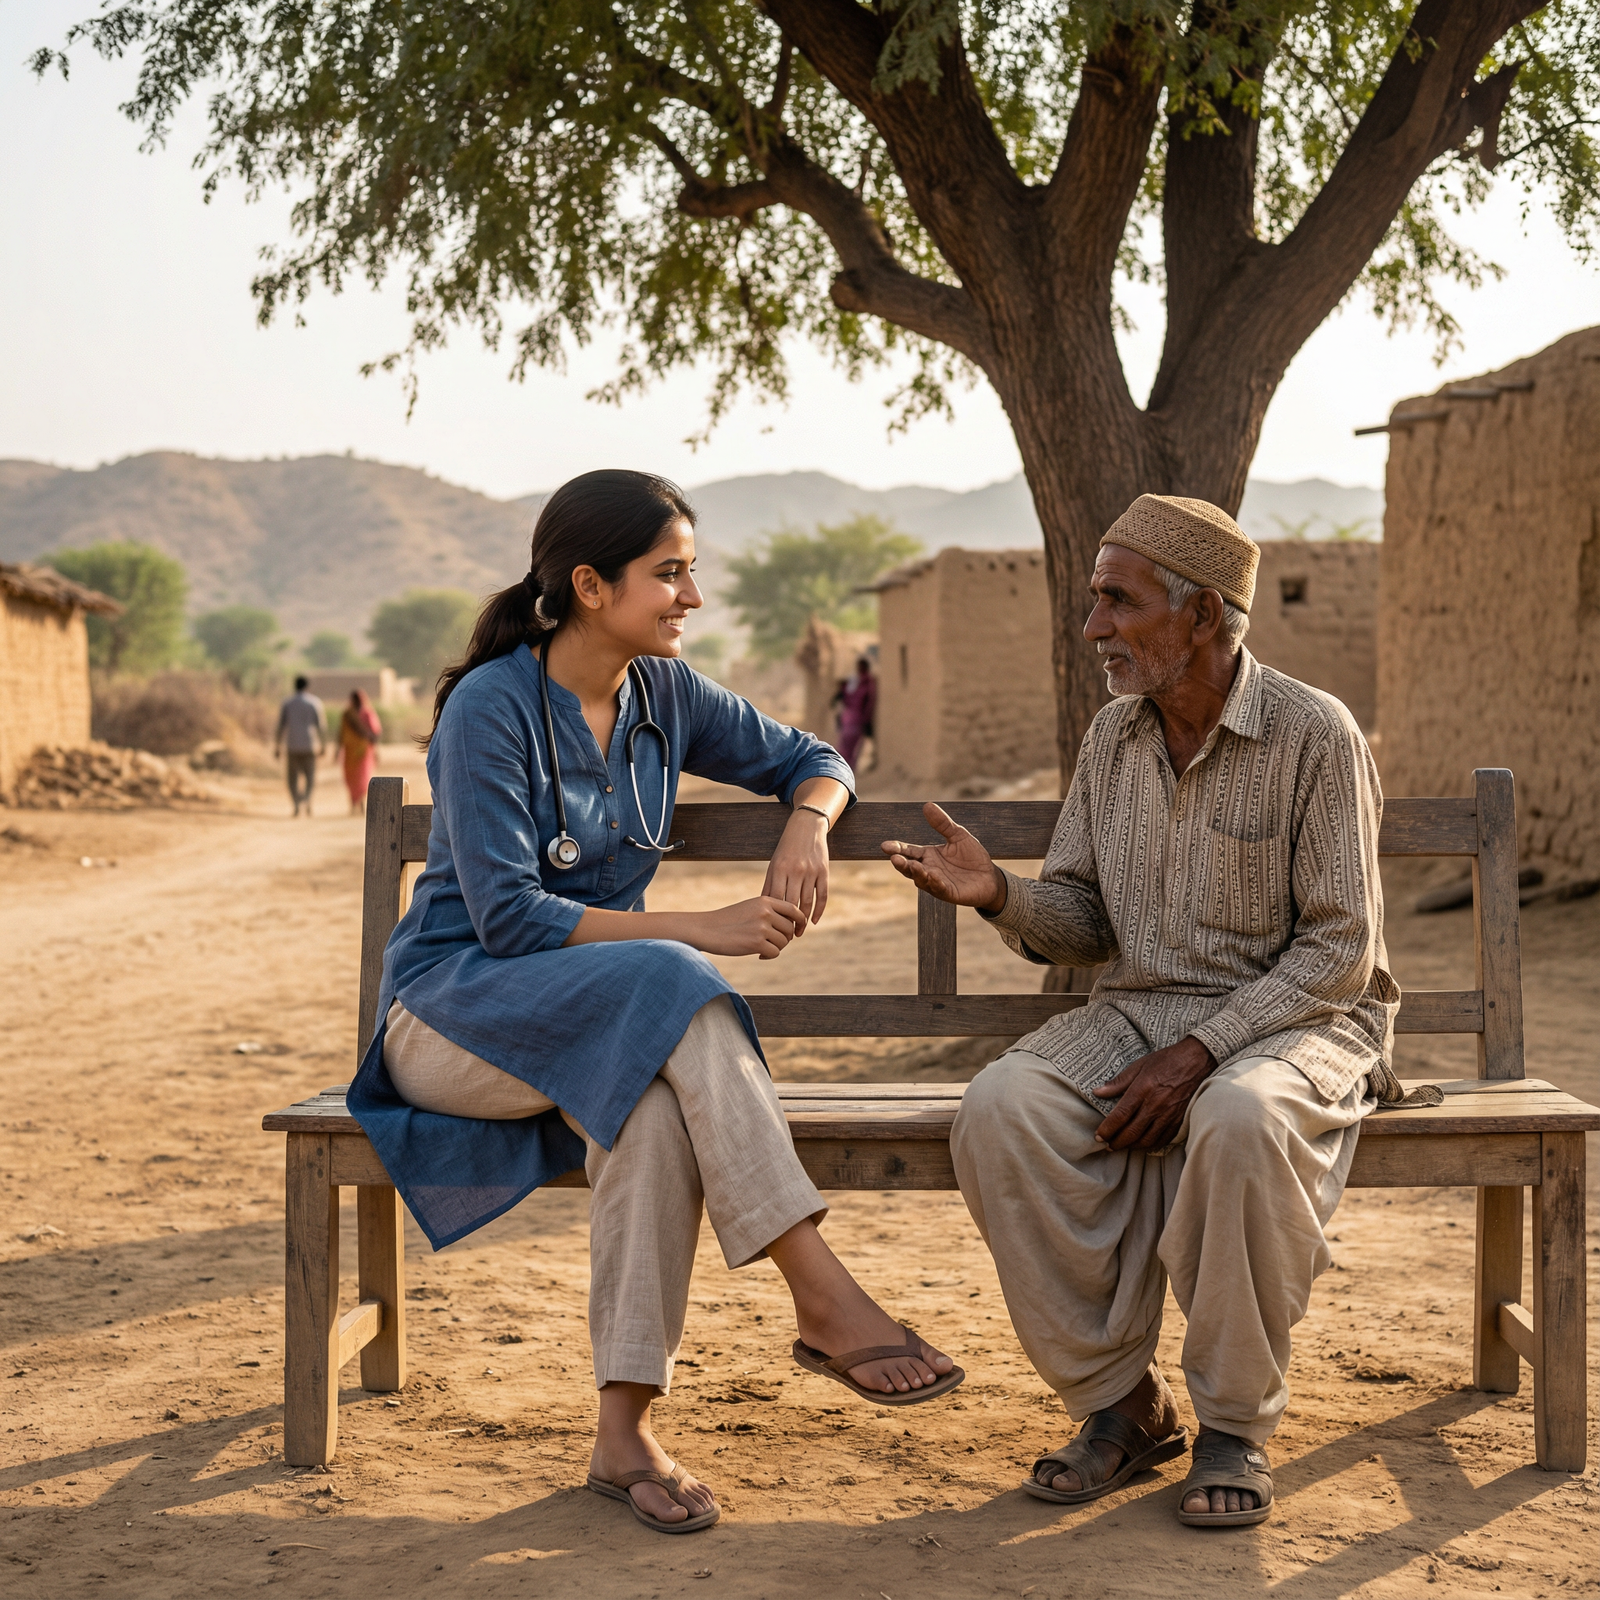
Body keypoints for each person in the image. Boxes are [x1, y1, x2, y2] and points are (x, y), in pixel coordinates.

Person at [347, 469, 960, 1538]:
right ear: (590, 584)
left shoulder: (664, 696)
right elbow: (508, 920)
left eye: (691, 570)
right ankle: (819, 1289)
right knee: (678, 976)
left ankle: (621, 1430)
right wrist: (700, 928)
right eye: (668, 573)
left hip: (602, 1020)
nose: (692, 595)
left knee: (659, 1110)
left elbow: (815, 759)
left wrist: (805, 823)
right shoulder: (490, 710)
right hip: (453, 1020)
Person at [882, 494, 1418, 1530]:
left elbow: (1339, 950)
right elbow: (1081, 918)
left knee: (1238, 1114)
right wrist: (999, 893)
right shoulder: (1112, 738)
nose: (1092, 629)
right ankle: (1121, 1405)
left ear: (1204, 615)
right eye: (1093, 600)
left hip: (1296, 1020)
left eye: (1115, 602)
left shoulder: (1316, 734)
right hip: (1136, 1013)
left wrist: (1204, 1052)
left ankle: (1231, 1424)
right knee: (998, 1108)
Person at [274, 675, 325, 817]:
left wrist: (277, 746)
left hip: (292, 745)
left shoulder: (287, 703)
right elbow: (321, 726)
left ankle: (296, 803)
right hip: (310, 744)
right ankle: (307, 800)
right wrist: (324, 745)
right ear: (307, 687)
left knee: (292, 778)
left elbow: (281, 727)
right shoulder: (314, 703)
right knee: (310, 777)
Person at [337, 688, 383, 814]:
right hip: (350, 751)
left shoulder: (367, 713)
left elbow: (375, 733)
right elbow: (341, 733)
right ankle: (353, 802)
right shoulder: (347, 715)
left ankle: (361, 801)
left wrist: (375, 749)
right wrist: (337, 749)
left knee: (363, 776)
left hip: (363, 751)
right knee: (350, 777)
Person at [831, 655, 877, 769]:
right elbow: (846, 695)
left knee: (851, 748)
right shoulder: (855, 680)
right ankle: (841, 770)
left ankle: (845, 771)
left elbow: (868, 703)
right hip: (849, 719)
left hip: (856, 720)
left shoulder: (866, 683)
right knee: (845, 746)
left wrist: (866, 721)